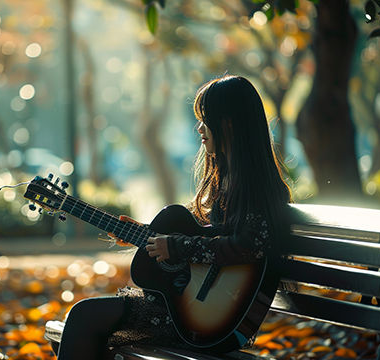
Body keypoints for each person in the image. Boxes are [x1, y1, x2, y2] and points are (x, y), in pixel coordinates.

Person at [53, 75, 293, 359]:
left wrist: (175, 246)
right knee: (84, 322)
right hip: (192, 311)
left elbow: (250, 245)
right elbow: (209, 235)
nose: (199, 128)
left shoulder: (255, 184)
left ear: (229, 122)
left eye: (206, 119)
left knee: (84, 317)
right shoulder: (232, 178)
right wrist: (145, 235)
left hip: (211, 325)